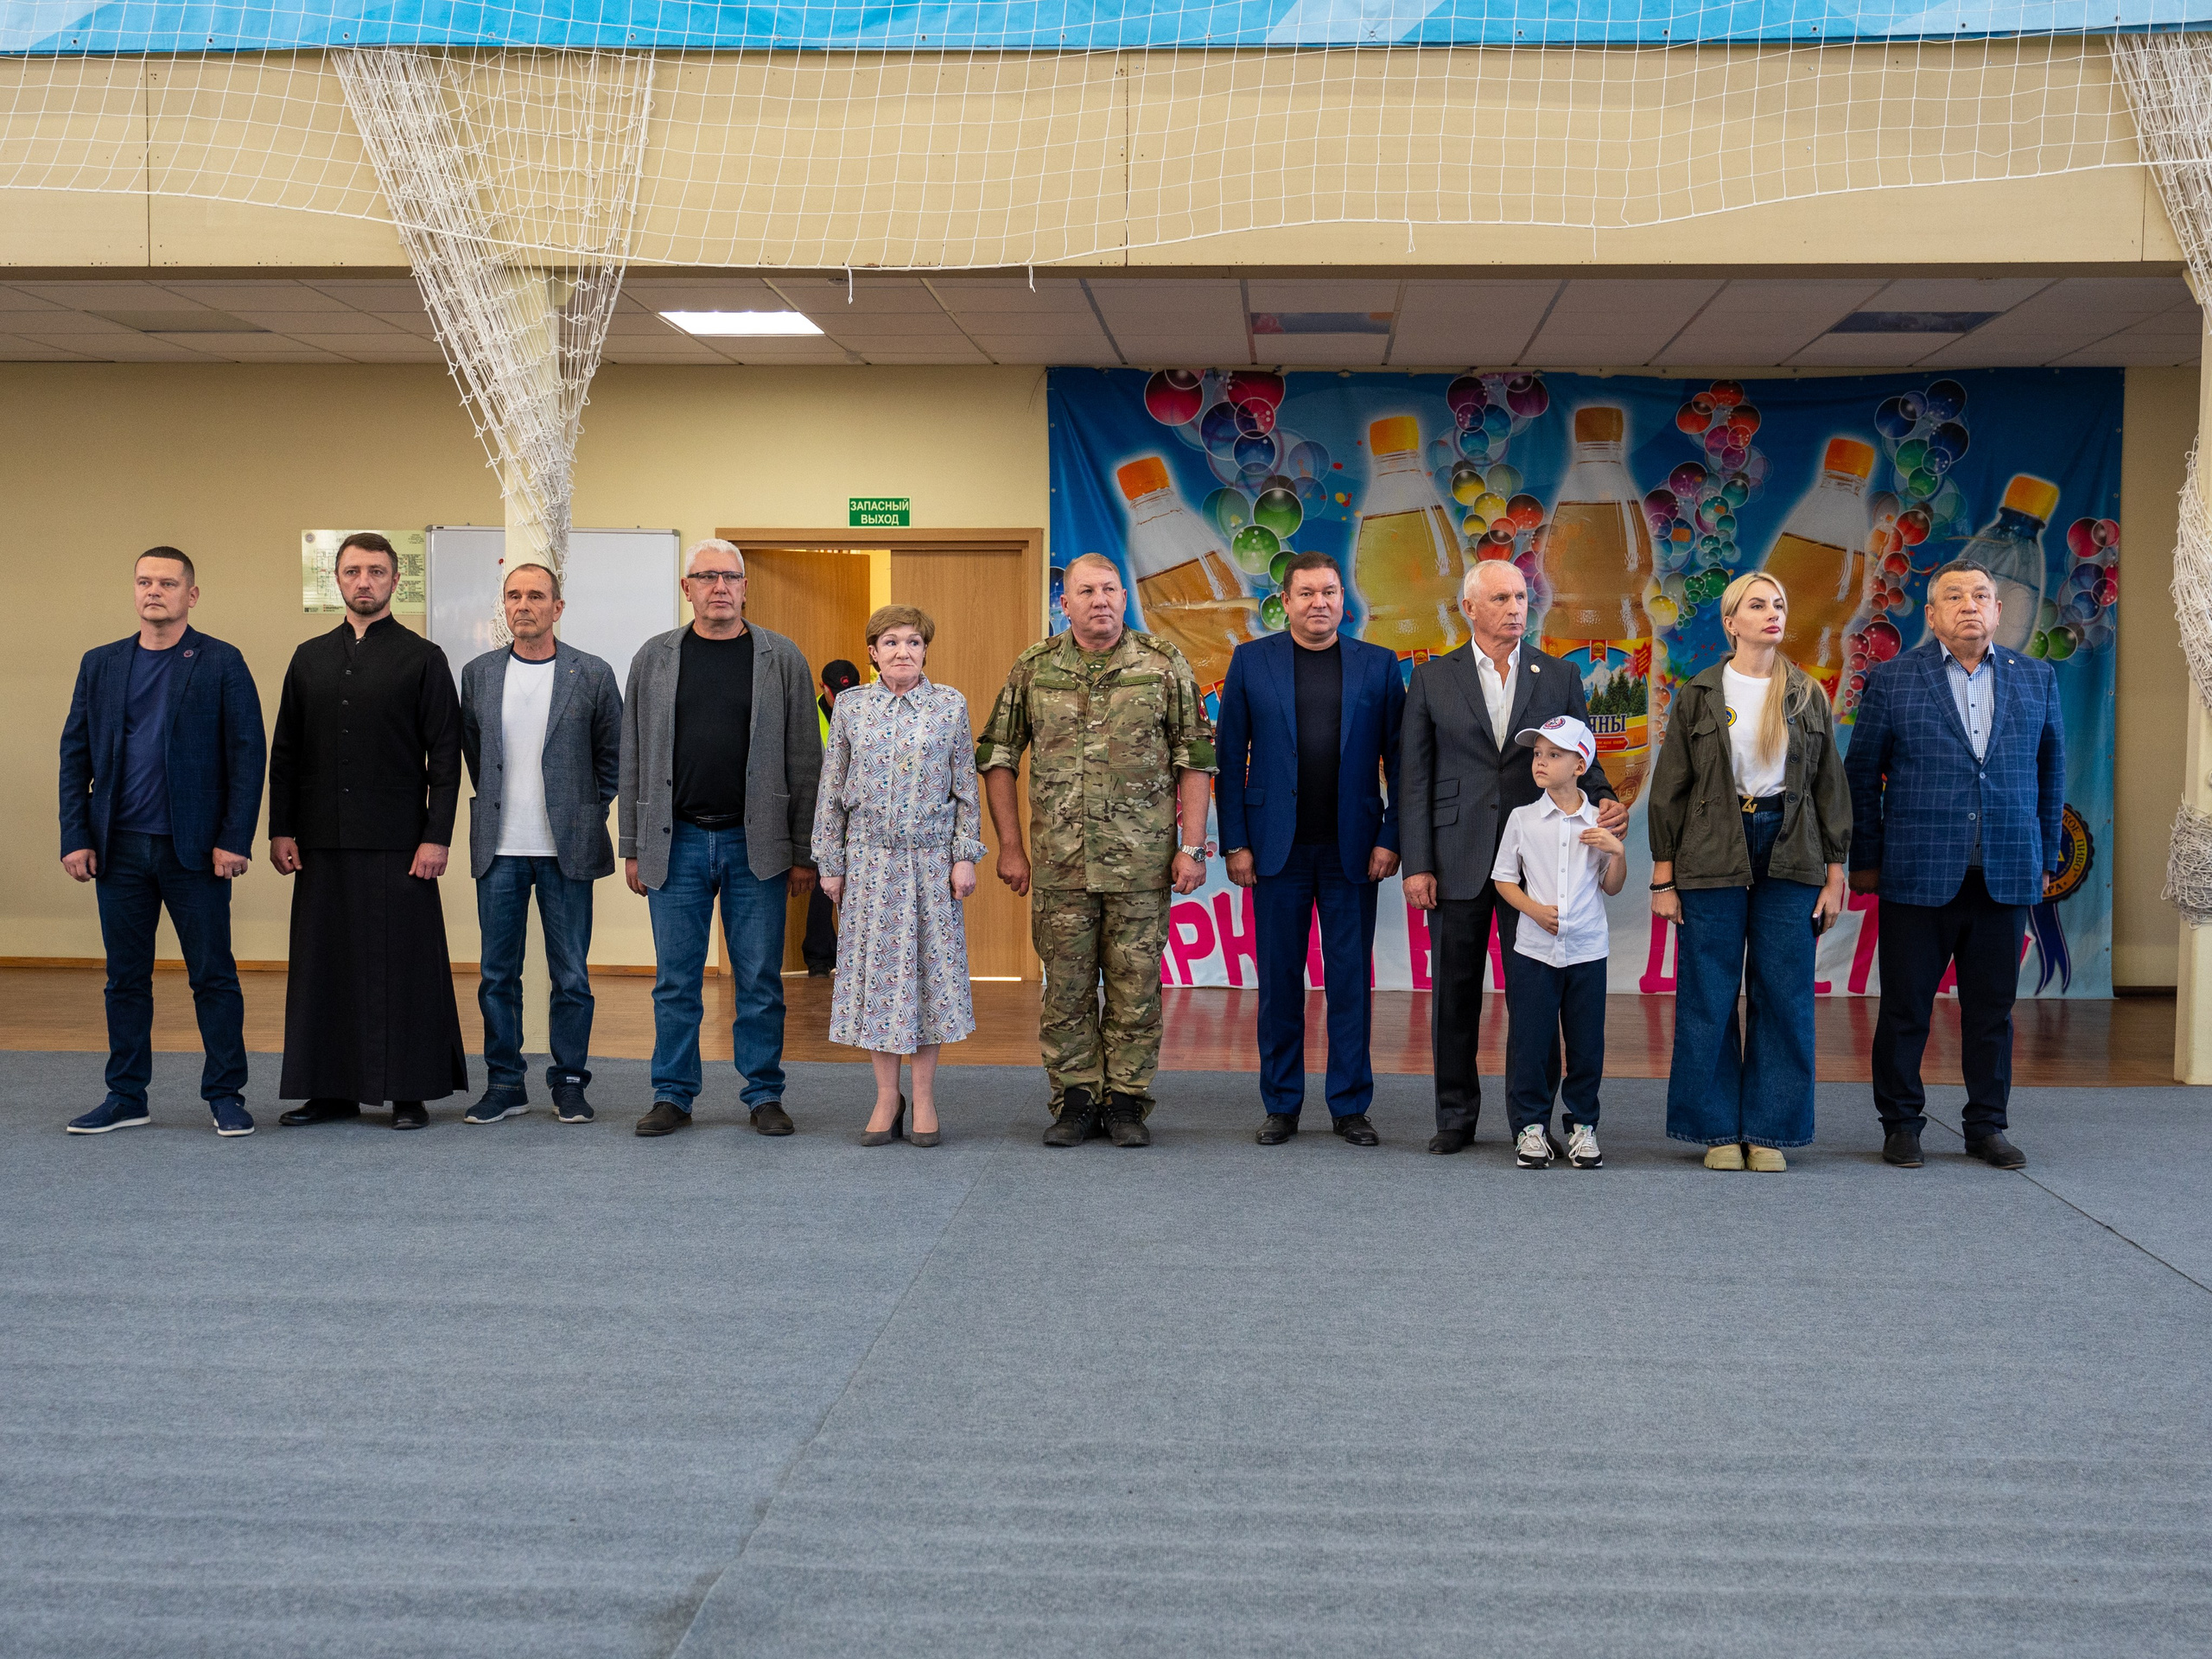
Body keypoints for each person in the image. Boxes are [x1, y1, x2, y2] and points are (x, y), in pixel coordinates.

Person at [978, 551, 1213, 1147]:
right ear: (1066, 603)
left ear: (1124, 597)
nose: (1099, 600)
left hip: (1143, 865)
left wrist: (1193, 847)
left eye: (1109, 589)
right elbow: (997, 756)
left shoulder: (1162, 665)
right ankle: (1077, 1099)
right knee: (1067, 990)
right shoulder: (1035, 668)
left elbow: (1197, 756)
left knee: (1136, 990)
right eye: (1085, 591)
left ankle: (1128, 1102)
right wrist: (1010, 846)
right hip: (1060, 865)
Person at [1400, 558, 1627, 1154]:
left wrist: (1605, 801)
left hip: (1539, 865)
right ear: (1468, 608)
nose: (1514, 608)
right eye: (1500, 598)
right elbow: (1413, 777)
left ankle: (1536, 1123)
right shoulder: (1432, 678)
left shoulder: (1557, 674)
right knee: (1454, 996)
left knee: (1538, 998)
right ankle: (1455, 1116)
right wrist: (1417, 862)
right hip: (1455, 858)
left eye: (1521, 597)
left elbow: (1587, 761)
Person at [1847, 559, 2064, 1172]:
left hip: (2005, 872)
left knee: (1992, 1011)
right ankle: (1901, 1123)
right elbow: (1861, 776)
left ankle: (1987, 1125)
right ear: (1933, 614)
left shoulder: (2037, 679)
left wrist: (2044, 858)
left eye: (1982, 596)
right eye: (1954, 597)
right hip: (1918, 872)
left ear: (1998, 611)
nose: (1970, 605)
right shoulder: (1893, 679)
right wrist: (1865, 860)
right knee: (1906, 1008)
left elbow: (2052, 777)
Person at [58, 548, 266, 1136]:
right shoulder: (100, 664)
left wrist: (234, 839)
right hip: (117, 849)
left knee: (213, 976)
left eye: (168, 583)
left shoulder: (221, 662)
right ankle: (126, 1095)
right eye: (145, 581)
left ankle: (225, 1093)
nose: (155, 591)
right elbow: (74, 755)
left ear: (191, 595)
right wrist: (76, 835)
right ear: (134, 591)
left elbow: (248, 756)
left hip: (196, 852)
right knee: (125, 978)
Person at [1647, 572, 1850, 1172]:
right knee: (1708, 991)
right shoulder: (1700, 694)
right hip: (1711, 848)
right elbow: (1670, 790)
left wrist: (1835, 873)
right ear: (1730, 622)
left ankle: (1770, 1129)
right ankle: (1714, 1129)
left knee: (1785, 992)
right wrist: (1663, 877)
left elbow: (1829, 789)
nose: (1772, 613)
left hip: (1792, 849)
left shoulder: (1808, 695)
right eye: (1757, 605)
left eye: (1779, 604)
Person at [620, 539, 822, 1139]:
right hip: (673, 841)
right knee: (676, 981)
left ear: (744, 587)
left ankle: (764, 1093)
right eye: (706, 577)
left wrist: (804, 851)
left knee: (759, 979)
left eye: (730, 577)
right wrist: (632, 843)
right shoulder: (653, 658)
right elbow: (632, 754)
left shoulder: (780, 657)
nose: (719, 587)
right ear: (687, 588)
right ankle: (672, 1095)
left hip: (754, 845)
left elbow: (805, 760)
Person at [268, 532, 467, 1130]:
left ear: (394, 582)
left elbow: (447, 756)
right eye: (353, 571)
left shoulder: (423, 658)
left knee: (404, 969)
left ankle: (410, 1093)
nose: (364, 582)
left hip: (400, 843)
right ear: (337, 579)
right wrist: (281, 830)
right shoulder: (308, 657)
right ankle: (329, 1091)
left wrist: (437, 837)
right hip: (321, 841)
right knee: (323, 967)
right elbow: (287, 753)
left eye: (376, 572)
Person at [1215, 552, 1404, 1147]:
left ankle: (1350, 1106)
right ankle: (1282, 1104)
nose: (1318, 602)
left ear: (1343, 600)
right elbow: (1229, 758)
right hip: (1275, 852)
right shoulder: (1251, 661)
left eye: (1329, 592)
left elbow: (1401, 760)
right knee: (1278, 985)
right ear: (1286, 601)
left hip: (1355, 851)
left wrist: (1390, 836)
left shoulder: (1378, 665)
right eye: (1306, 593)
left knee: (1350, 982)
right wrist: (1236, 842)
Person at [457, 561, 623, 1126]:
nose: (523, 605)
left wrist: (586, 810)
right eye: (513, 596)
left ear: (558, 606)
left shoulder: (592, 673)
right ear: (503, 607)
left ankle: (570, 1081)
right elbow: (476, 752)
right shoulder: (478, 673)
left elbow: (613, 755)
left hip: (566, 848)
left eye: (535, 596)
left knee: (571, 974)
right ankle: (505, 1083)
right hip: (499, 848)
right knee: (496, 974)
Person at [812, 609, 983, 1146]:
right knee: (878, 986)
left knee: (930, 982)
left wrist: (965, 855)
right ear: (872, 650)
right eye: (890, 642)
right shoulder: (852, 708)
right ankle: (888, 1098)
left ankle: (926, 1098)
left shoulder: (949, 704)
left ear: (926, 650)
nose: (902, 651)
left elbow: (965, 790)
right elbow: (830, 790)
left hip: (931, 864)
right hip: (869, 866)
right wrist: (830, 863)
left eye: (913, 641)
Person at [1490, 716, 1627, 1169]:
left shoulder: (1599, 821)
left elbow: (1612, 887)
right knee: (1531, 1040)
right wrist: (1532, 909)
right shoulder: (1523, 818)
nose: (1541, 763)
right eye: (1537, 754)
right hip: (1534, 952)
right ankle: (1531, 1127)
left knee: (1587, 1044)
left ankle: (1583, 1127)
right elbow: (1504, 879)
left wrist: (1618, 852)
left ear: (1580, 762)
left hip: (1588, 951)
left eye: (1554, 754)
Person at [803, 658, 863, 976]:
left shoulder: (866, 708)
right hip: (819, 811)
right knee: (822, 886)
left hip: (857, 812)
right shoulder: (806, 714)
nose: (844, 702)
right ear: (823, 688)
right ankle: (819, 958)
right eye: (836, 696)